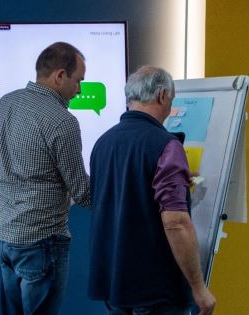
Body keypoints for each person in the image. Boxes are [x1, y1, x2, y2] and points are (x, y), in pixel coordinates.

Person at [88, 65, 216, 315]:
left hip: (114, 283)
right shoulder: (166, 145)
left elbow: (127, 193)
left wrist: (175, 180)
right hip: (155, 288)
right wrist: (199, 288)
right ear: (162, 96)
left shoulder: (103, 142)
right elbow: (176, 223)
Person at [0, 42, 91, 315]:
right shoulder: (62, 121)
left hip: (4, 237)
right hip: (41, 241)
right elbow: (82, 192)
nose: (79, 90)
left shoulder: (4, 103)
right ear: (59, 76)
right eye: (78, 80)